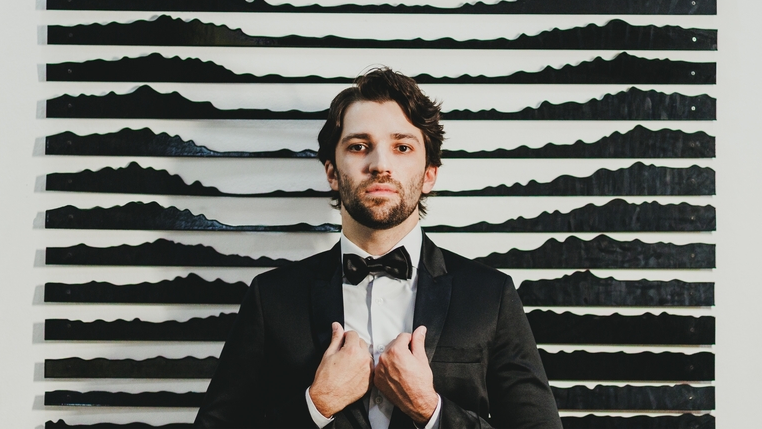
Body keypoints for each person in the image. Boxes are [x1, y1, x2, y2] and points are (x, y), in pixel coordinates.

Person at [194, 67, 562, 429]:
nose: (380, 165)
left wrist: (430, 410)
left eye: (402, 147)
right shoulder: (271, 297)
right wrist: (316, 405)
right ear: (332, 173)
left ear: (429, 174)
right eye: (359, 146)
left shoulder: (491, 296)